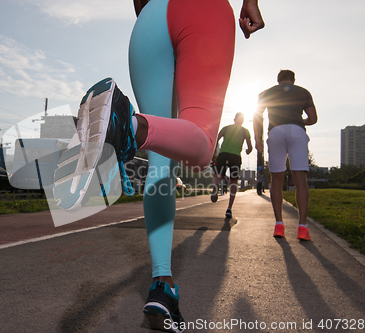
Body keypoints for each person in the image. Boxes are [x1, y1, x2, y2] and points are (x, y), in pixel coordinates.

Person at [53, 0, 264, 331]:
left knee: (161, 162)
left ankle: (162, 286)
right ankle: (129, 127)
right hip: (202, 10)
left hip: (148, 21)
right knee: (201, 146)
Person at [253, 70, 318, 241]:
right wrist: (298, 121)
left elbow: (257, 116)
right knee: (300, 180)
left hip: (275, 132)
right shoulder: (303, 92)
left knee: (277, 179)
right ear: (293, 80)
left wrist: (257, 140)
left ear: (278, 80)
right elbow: (313, 118)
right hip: (296, 132)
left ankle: (279, 225)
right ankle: (302, 227)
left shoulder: (267, 92)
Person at [211, 112, 253, 219]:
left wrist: (214, 152)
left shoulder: (225, 128)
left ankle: (215, 188)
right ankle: (229, 208)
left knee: (218, 176)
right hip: (235, 157)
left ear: (234, 119)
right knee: (233, 182)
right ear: (242, 121)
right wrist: (248, 151)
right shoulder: (245, 131)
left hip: (223, 154)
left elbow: (216, 139)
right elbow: (250, 147)